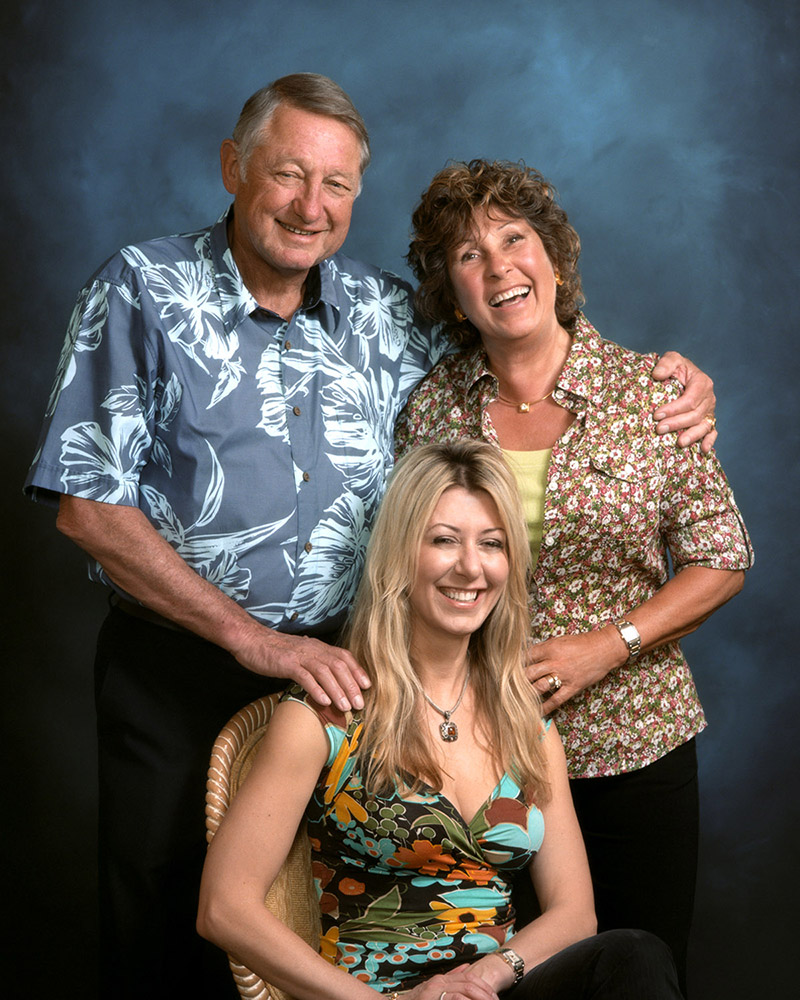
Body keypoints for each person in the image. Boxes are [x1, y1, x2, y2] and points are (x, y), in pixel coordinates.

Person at [24, 74, 716, 997]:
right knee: (166, 916)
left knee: (361, 903)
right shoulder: (144, 290)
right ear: (233, 168)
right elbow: (86, 503)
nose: (312, 207)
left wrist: (661, 380)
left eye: (338, 186)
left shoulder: (387, 315)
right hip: (181, 665)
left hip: (355, 674)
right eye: (287, 176)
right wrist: (255, 640)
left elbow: (517, 339)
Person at [395, 159, 754, 996]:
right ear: (452, 293)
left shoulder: (650, 395)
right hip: (481, 756)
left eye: (515, 240)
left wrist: (609, 644)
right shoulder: (429, 412)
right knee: (494, 981)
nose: (499, 267)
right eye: (468, 256)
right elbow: (404, 570)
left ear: (555, 258)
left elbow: (723, 554)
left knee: (639, 971)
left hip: (636, 745)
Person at [198, 439, 682, 1000]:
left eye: (492, 544)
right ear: (402, 553)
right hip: (376, 995)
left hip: (496, 989)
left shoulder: (525, 719)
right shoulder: (325, 712)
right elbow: (223, 908)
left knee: (636, 956)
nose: (471, 567)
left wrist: (488, 976)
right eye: (444, 540)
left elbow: (575, 913)